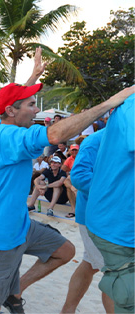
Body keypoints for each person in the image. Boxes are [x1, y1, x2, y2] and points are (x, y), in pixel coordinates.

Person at [0, 45, 134, 313]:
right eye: (32, 104)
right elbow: (55, 135)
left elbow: (11, 103)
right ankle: (6, 297)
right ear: (12, 111)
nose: (36, 111)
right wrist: (110, 102)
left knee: (65, 251)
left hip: (20, 224)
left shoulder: (3, 123)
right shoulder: (7, 137)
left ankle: (16, 290)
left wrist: (32, 76)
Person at [85, 92, 135, 313]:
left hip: (118, 219)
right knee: (128, 295)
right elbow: (77, 176)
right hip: (116, 224)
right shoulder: (132, 107)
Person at [60, 129, 114, 313]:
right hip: (96, 217)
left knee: (90, 264)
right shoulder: (95, 141)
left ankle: (67, 310)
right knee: (115, 273)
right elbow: (80, 177)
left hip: (118, 217)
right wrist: (116, 193)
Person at [62, 144, 79, 218]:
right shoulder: (70, 158)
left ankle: (75, 209)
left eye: (76, 150)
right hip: (74, 177)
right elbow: (63, 169)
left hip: (82, 176)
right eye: (73, 150)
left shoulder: (82, 157)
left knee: (67, 181)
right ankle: (73, 209)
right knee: (67, 183)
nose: (74, 151)